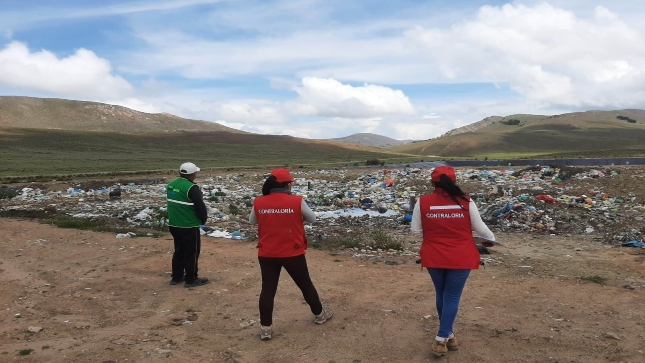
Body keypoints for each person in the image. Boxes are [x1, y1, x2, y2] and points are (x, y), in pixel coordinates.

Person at [410, 165, 495, 357]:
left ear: (432, 182)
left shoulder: (422, 202)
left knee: (441, 294)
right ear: (454, 181)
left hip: (433, 255)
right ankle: (441, 338)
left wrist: (436, 234)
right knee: (451, 297)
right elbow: (481, 229)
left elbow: (415, 232)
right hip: (461, 256)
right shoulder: (466, 201)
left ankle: (450, 335)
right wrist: (492, 240)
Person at [249, 168, 333, 341]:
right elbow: (312, 218)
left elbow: (252, 221)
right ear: (286, 184)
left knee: (268, 290)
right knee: (305, 285)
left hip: (267, 253)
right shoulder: (296, 201)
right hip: (292, 252)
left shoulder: (259, 202)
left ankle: (266, 328)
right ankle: (319, 315)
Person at [166, 162, 209, 288]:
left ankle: (176, 277)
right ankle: (191, 279)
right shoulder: (192, 188)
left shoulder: (171, 185)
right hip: (189, 226)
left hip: (174, 224)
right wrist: (202, 220)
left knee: (179, 251)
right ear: (192, 174)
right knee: (191, 252)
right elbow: (200, 207)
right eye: (195, 173)